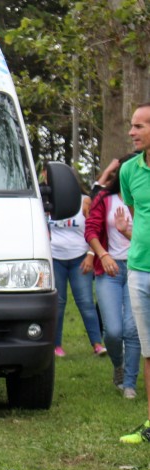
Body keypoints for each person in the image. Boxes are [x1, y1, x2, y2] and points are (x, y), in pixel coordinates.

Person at [85, 156, 141, 399]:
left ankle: (129, 382)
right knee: (113, 331)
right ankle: (118, 365)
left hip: (136, 268)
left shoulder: (142, 199)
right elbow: (91, 230)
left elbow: (142, 238)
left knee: (132, 328)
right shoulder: (105, 199)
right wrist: (103, 255)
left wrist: (126, 230)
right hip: (108, 271)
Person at [118, 102, 150, 443]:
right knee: (148, 349)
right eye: (132, 125)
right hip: (139, 269)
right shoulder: (129, 171)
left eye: (139, 126)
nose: (132, 132)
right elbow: (136, 214)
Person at [48, 191, 106, 358]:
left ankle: (97, 344)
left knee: (86, 302)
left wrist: (91, 255)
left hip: (80, 259)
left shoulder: (84, 202)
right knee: (58, 303)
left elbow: (94, 229)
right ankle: (56, 346)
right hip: (55, 258)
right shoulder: (47, 203)